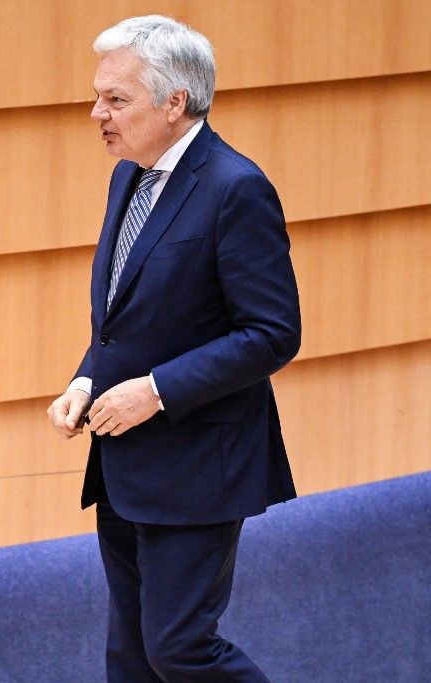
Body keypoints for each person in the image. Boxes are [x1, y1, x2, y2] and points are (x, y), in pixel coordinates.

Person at [47, 15, 301, 682]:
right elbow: (129, 319)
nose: (96, 112)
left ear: (175, 102)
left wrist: (153, 390)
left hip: (198, 463)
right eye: (98, 96)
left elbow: (272, 333)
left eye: (116, 99)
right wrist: (84, 380)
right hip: (125, 463)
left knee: (180, 648)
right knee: (130, 657)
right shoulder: (128, 175)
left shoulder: (235, 188)